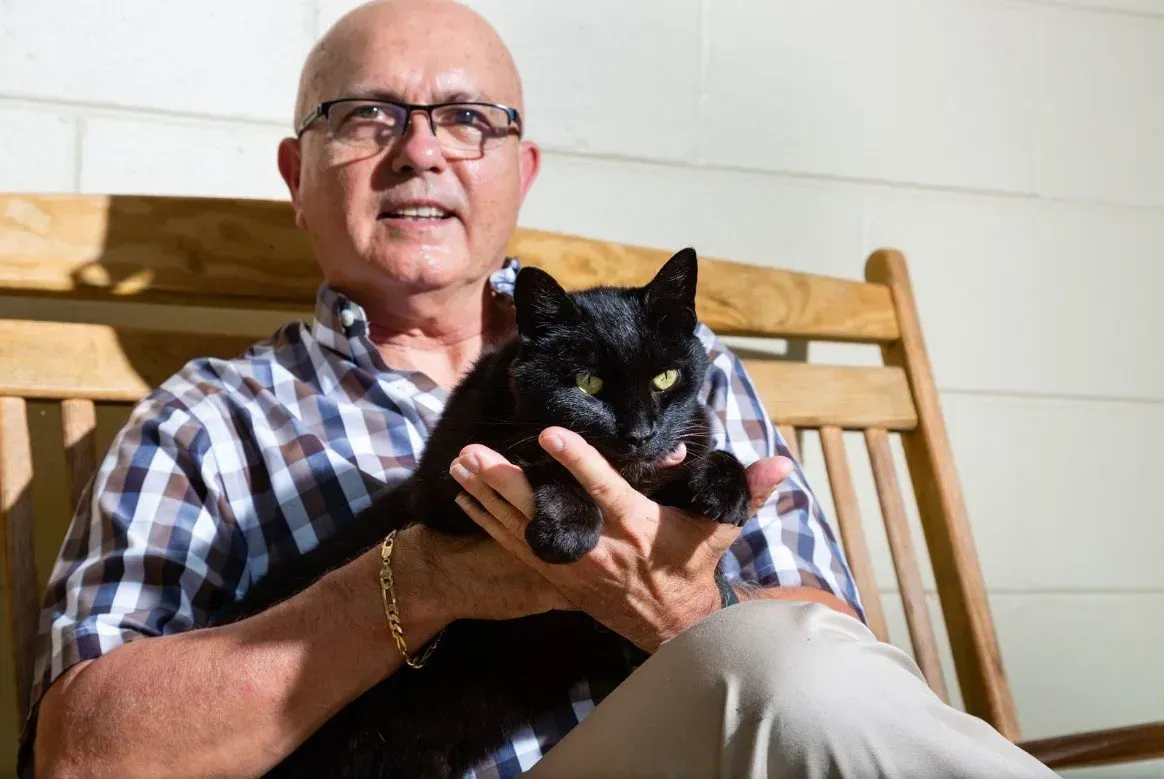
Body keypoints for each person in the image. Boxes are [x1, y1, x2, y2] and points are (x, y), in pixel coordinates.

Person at [18, 1, 1057, 776]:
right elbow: (82, 757)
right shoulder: (206, 421)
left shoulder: (683, 362)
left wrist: (683, 606)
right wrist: (428, 579)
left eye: (468, 117)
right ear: (298, 174)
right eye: (367, 115)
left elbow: (830, 665)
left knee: (800, 667)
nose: (420, 150)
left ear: (523, 171)